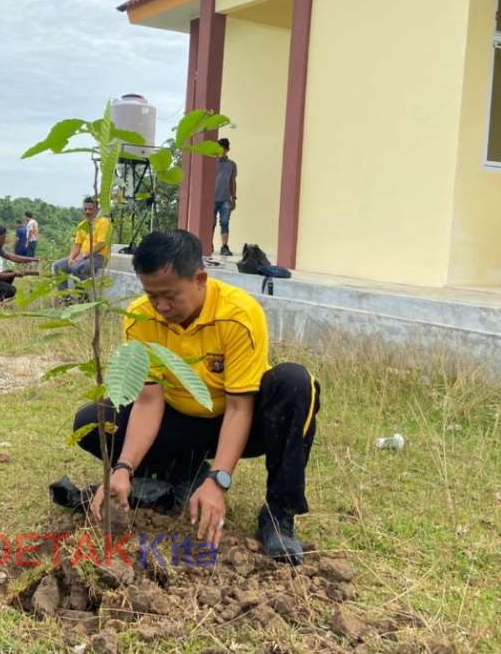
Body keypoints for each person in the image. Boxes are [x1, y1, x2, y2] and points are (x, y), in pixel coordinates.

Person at [74, 229, 320, 564]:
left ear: (200, 279)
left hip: (238, 424)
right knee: (92, 421)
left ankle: (278, 515)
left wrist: (220, 481)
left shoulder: (238, 314)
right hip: (178, 420)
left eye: (170, 295)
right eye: (151, 295)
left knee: (295, 381)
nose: (160, 306)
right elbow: (148, 400)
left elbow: (239, 407)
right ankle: (183, 472)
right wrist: (122, 469)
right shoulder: (140, 319)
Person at [51, 197, 111, 290]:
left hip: (99, 257)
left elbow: (101, 244)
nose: (87, 212)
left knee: (76, 268)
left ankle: (83, 298)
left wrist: (83, 256)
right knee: (58, 266)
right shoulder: (82, 225)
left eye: (91, 209)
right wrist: (71, 258)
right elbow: (77, 245)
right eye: (85, 209)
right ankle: (66, 299)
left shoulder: (103, 222)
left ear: (97, 210)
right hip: (83, 257)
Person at [213, 138, 237, 256]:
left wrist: (234, 198)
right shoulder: (210, 162)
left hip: (225, 199)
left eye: (223, 149)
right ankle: (209, 244)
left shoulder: (231, 165)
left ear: (227, 150)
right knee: (211, 222)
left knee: (225, 222)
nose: (220, 151)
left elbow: (232, 182)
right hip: (211, 198)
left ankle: (224, 247)